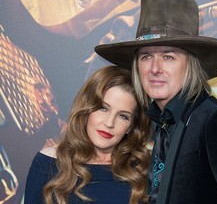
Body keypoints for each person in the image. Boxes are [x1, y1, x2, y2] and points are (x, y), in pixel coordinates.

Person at [94, 0, 217, 204]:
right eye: (146, 57)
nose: (155, 68)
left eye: (168, 56)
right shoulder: (155, 126)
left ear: (191, 64)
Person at [24, 66, 151, 204]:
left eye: (123, 116)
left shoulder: (141, 171)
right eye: (103, 108)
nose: (109, 123)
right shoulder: (48, 162)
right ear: (86, 109)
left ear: (130, 127)